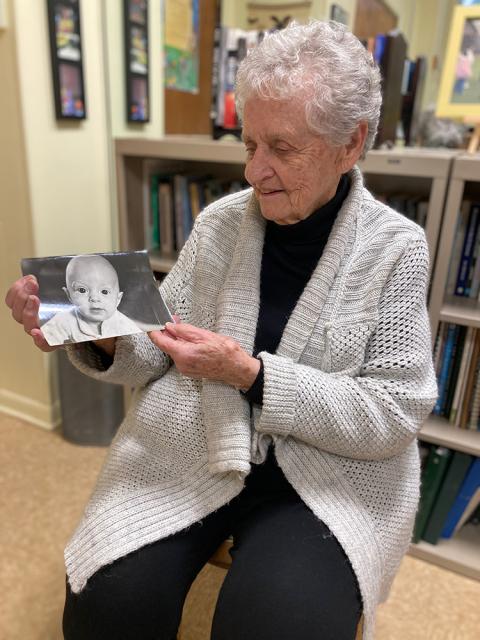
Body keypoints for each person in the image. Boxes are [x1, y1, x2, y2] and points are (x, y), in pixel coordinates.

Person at [5, 20, 437, 640]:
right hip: (195, 441)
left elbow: (393, 413)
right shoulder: (219, 224)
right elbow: (157, 346)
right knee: (107, 606)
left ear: (352, 143)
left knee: (276, 625)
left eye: (282, 149)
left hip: (324, 477)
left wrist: (253, 376)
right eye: (248, 144)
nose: (254, 172)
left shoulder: (398, 248)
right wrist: (94, 333)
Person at [40, 254, 142, 345]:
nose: (94, 298)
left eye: (104, 292)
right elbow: (45, 339)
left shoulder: (123, 323)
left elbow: (139, 344)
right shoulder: (63, 321)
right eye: (82, 290)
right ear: (68, 295)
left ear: (118, 299)